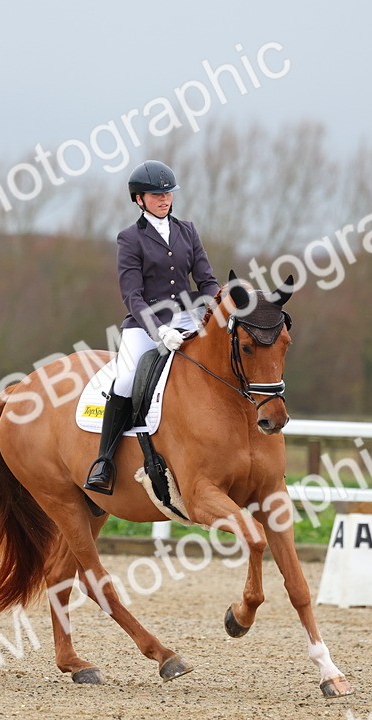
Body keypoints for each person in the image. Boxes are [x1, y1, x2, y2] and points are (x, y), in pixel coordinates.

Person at [83, 159, 221, 495]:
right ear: (139, 199)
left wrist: (222, 307)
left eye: (167, 193)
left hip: (189, 317)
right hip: (145, 323)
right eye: (155, 194)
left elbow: (206, 281)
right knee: (128, 379)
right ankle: (104, 461)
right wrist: (158, 330)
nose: (164, 199)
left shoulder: (187, 230)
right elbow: (132, 294)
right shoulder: (130, 239)